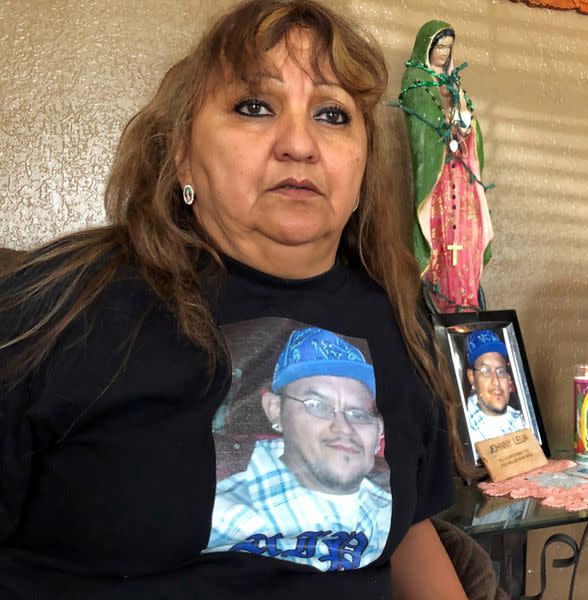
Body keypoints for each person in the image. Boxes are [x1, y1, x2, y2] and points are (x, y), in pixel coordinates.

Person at [0, 2, 469, 598]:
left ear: (362, 165)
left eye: (331, 113)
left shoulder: (398, 314)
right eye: (255, 106)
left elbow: (404, 530)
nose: (299, 143)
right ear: (181, 155)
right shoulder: (54, 304)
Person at [208, 326, 392, 571]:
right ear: (275, 409)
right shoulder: (224, 516)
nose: (343, 427)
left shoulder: (384, 507)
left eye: (358, 413)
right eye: (316, 405)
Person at [398, 20, 494, 313]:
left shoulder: (455, 84)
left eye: (448, 48)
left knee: (468, 229)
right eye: (439, 46)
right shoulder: (416, 79)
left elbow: (470, 126)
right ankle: (440, 293)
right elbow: (421, 128)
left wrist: (464, 122)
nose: (443, 52)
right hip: (438, 177)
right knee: (440, 231)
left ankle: (466, 294)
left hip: (461, 173)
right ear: (427, 47)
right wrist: (443, 126)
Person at [464, 330, 526, 444]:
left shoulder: (522, 422)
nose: (496, 381)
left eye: (500, 371)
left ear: (508, 379)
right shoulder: (461, 427)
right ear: (472, 377)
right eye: (485, 371)